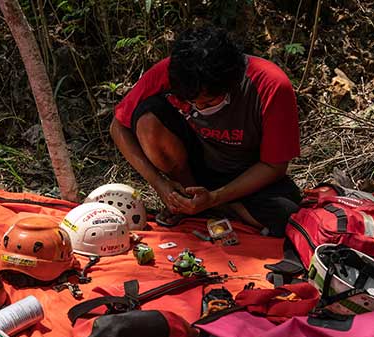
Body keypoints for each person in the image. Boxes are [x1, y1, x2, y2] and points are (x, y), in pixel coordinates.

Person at [110, 26, 302, 237]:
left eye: (209, 101)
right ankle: (189, 199)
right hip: (193, 171)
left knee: (288, 215)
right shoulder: (174, 72)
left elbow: (274, 166)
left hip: (245, 176)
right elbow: (118, 127)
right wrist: (160, 184)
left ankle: (211, 208)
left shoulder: (271, 85)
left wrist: (215, 198)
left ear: (232, 84)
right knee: (148, 118)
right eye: (190, 102)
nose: (199, 109)